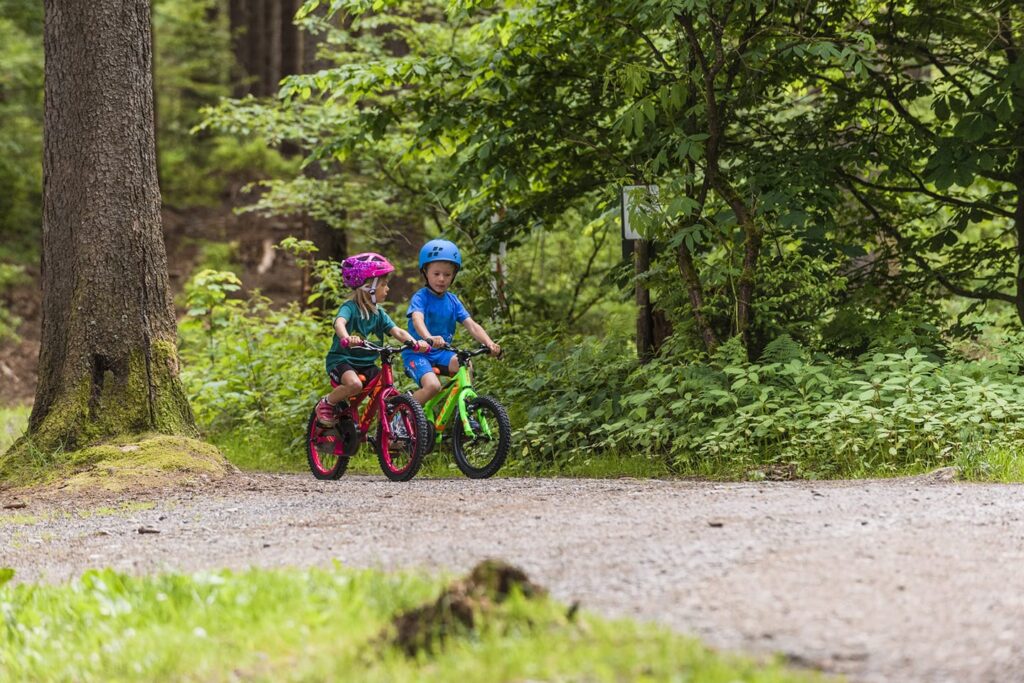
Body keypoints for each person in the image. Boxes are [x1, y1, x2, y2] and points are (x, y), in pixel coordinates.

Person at [315, 252, 427, 428]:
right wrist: (346, 337)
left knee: (388, 393)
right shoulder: (350, 308)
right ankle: (327, 403)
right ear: (368, 287)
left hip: (367, 365)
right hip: (342, 361)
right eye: (383, 284)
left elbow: (397, 331)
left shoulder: (379, 314)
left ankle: (388, 432)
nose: (387, 288)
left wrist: (415, 343)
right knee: (354, 384)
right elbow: (339, 323)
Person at [402, 239, 500, 405]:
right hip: (418, 353)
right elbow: (417, 319)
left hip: (442, 353)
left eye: (447, 275)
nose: (441, 279)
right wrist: (428, 337)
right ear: (425, 272)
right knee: (433, 386)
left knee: (465, 364)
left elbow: (472, 325)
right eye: (436, 274)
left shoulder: (453, 301)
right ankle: (403, 411)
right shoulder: (421, 297)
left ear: (453, 276)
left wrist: (489, 343)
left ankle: (465, 410)